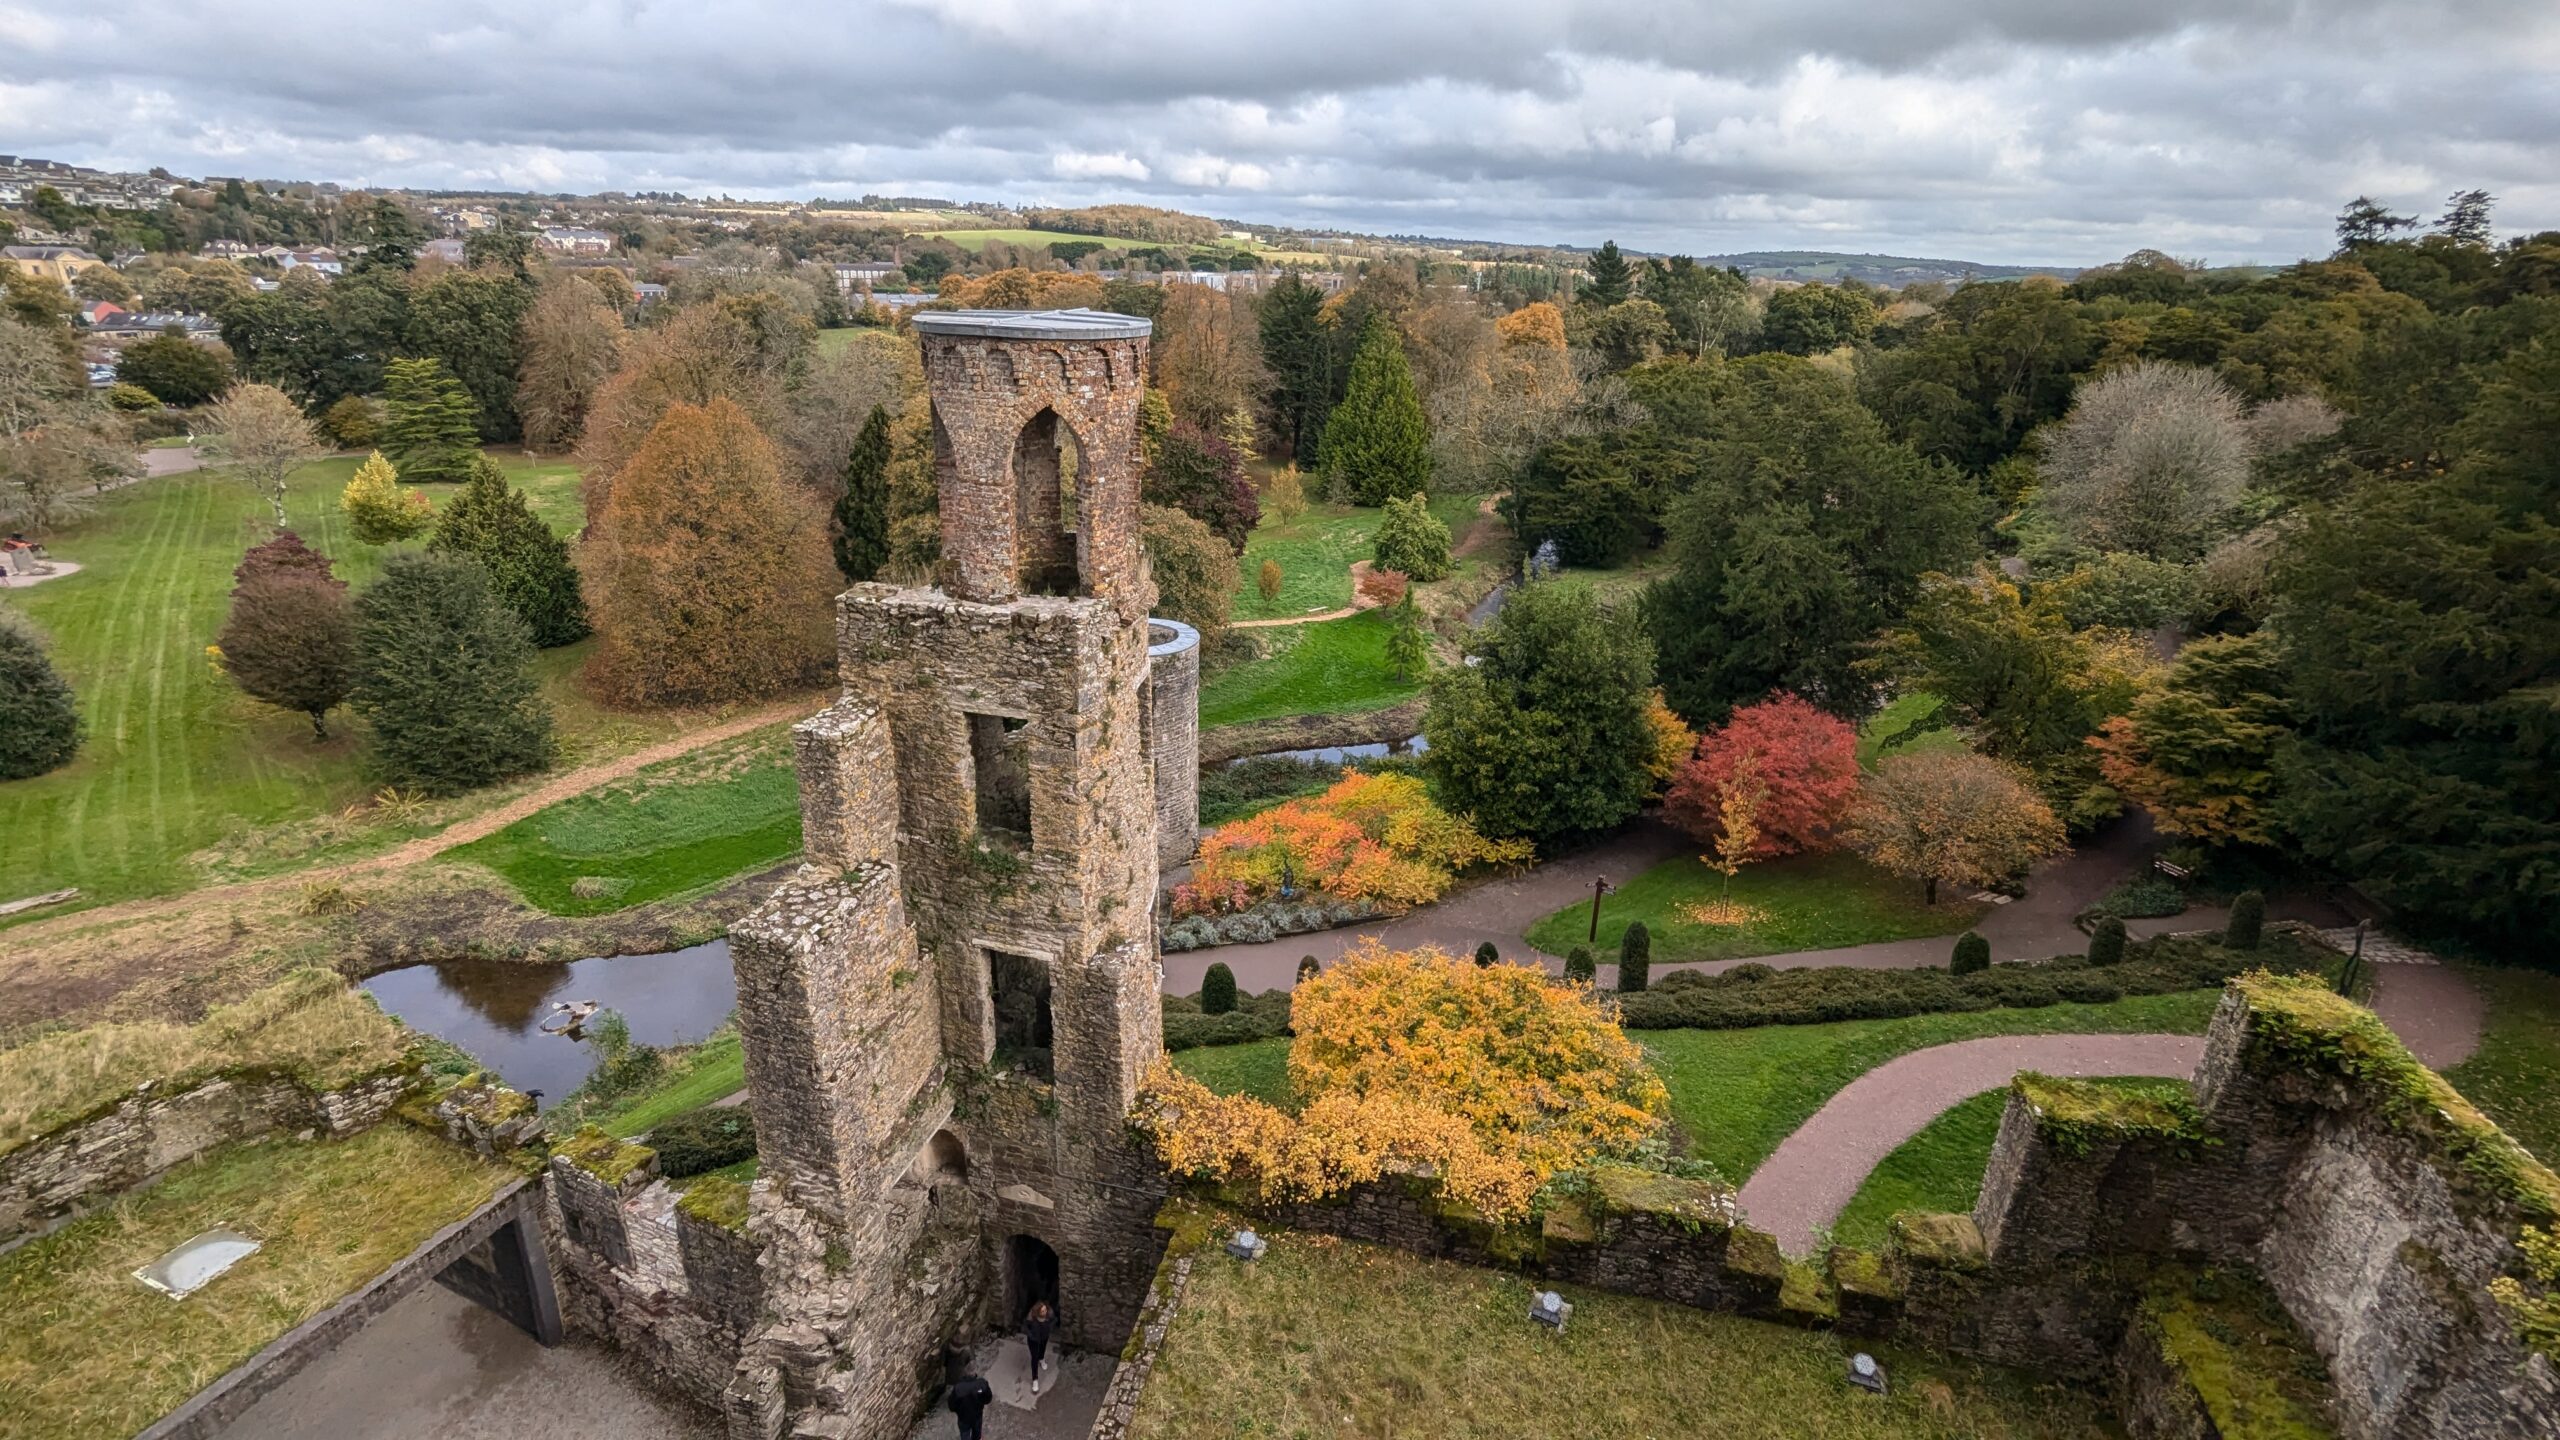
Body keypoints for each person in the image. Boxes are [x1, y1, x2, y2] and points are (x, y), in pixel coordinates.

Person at [947, 1367, 992, 1440]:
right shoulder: (982, 1384)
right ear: (975, 1374)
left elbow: (951, 1406)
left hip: (963, 1418)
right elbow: (988, 1399)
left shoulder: (958, 1388)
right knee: (977, 1432)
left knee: (965, 1434)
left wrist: (959, 1411)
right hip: (977, 1416)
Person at [1023, 1300, 1055, 1397]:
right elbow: (1025, 1327)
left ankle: (1042, 1359)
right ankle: (1035, 1379)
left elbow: (1054, 1320)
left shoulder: (1049, 1315)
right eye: (1042, 1311)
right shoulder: (1031, 1318)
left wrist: (1049, 1328)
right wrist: (1031, 1335)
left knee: (1042, 1349)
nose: (1045, 1312)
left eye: (1045, 1310)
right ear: (1038, 1312)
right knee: (1034, 1357)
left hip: (1044, 1337)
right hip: (1034, 1340)